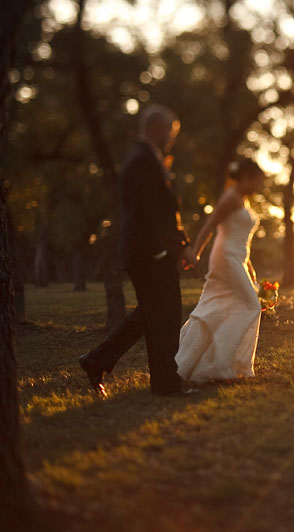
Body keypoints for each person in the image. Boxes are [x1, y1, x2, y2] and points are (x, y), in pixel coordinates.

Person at [79, 104, 196, 397]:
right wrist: (159, 252)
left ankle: (96, 360)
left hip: (151, 252)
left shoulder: (149, 158)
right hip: (149, 254)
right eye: (170, 133)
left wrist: (183, 243)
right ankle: (167, 385)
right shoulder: (141, 160)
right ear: (156, 130)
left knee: (149, 314)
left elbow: (167, 211)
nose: (171, 139)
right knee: (166, 316)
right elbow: (143, 212)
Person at [174, 158, 263, 384]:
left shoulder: (243, 200)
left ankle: (190, 362)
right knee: (251, 305)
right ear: (245, 177)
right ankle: (220, 364)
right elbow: (210, 225)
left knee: (217, 306)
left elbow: (244, 240)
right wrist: (195, 252)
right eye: (256, 181)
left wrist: (249, 267)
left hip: (238, 258)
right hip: (225, 257)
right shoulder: (230, 198)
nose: (258, 186)